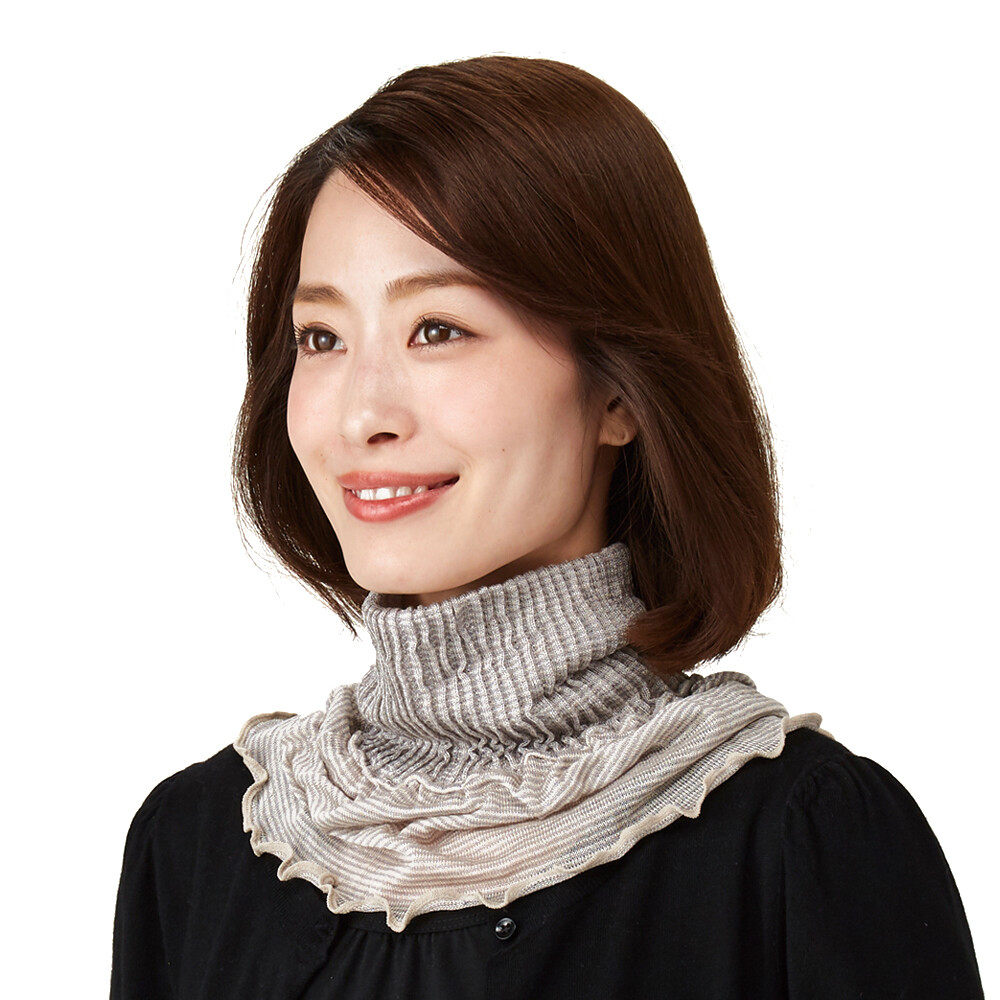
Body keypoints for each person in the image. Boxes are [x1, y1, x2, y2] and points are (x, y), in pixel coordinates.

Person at [109, 56, 985, 999]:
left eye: (437, 329)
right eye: (322, 338)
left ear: (619, 389)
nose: (361, 415)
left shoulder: (799, 843)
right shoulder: (198, 846)